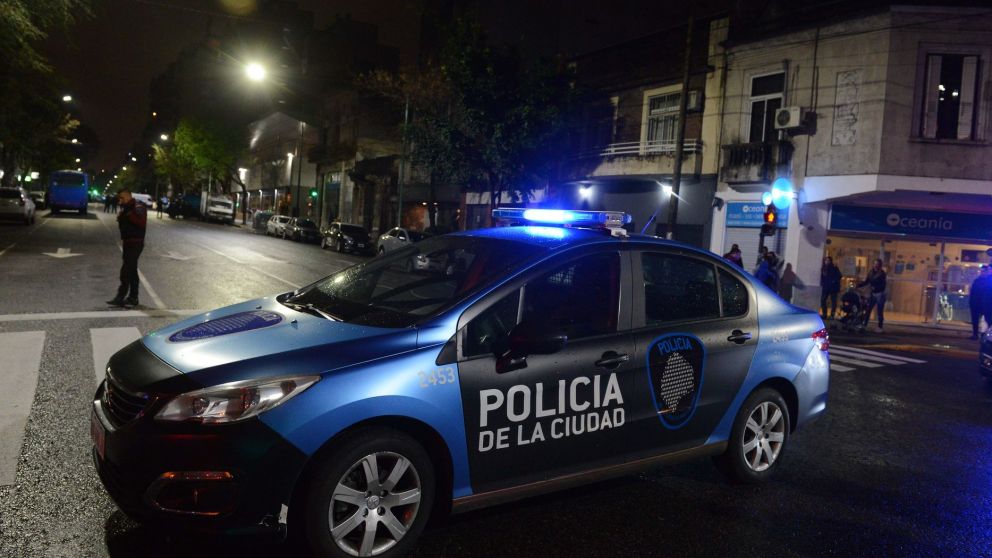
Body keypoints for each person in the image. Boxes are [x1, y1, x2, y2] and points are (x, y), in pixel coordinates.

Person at [106, 188, 147, 308]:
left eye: (122, 198)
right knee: (132, 271)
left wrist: (127, 215)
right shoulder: (126, 207)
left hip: (136, 243)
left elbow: (140, 222)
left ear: (128, 196)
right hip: (128, 243)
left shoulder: (137, 206)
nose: (120, 200)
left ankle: (120, 297)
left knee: (126, 271)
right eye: (119, 198)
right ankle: (133, 298)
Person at [858, 259, 887, 331]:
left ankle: (880, 327)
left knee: (879, 311)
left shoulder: (882, 273)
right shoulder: (871, 272)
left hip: (879, 293)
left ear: (880, 265)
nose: (876, 265)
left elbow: (883, 285)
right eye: (875, 263)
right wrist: (859, 284)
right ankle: (864, 324)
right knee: (868, 309)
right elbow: (867, 281)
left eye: (877, 264)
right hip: (873, 294)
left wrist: (876, 287)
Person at [969, 266, 992, 340]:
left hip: (985, 304)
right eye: (981, 271)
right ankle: (975, 334)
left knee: (987, 320)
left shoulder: (988, 280)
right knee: (975, 320)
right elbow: (972, 291)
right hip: (976, 303)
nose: (982, 272)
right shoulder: (977, 280)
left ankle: (985, 336)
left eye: (984, 271)